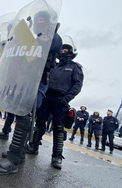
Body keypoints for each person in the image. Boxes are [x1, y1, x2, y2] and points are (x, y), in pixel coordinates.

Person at [0, 11, 63, 174]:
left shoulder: (53, 37)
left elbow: (55, 44)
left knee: (25, 116)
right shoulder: (32, 39)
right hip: (24, 80)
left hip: (38, 82)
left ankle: (13, 158)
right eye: (38, 20)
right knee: (19, 113)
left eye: (43, 20)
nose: (39, 22)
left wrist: (50, 30)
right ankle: (20, 151)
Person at [25, 35, 84, 171]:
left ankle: (56, 156)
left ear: (71, 52)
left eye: (65, 50)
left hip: (60, 100)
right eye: (61, 49)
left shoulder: (75, 67)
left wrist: (67, 98)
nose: (62, 51)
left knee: (58, 128)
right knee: (40, 123)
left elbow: (77, 85)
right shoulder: (54, 66)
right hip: (46, 97)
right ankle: (33, 146)